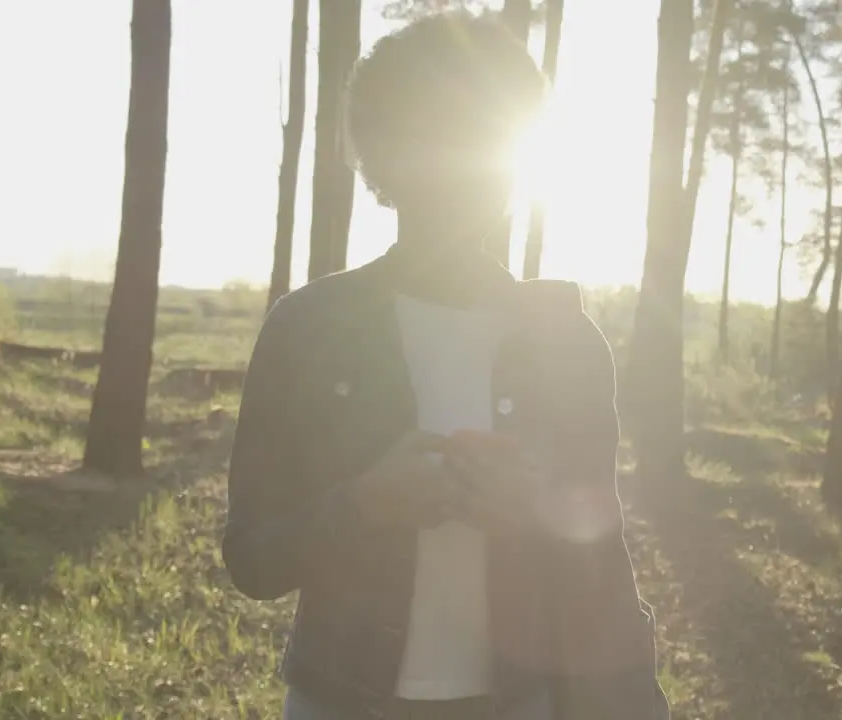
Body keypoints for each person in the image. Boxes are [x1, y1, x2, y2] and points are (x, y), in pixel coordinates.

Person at [221, 11, 669, 720]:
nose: (458, 162)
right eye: (429, 132)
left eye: (482, 134)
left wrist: (533, 517)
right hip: (341, 701)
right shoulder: (307, 329)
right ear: (380, 161)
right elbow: (252, 558)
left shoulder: (567, 343)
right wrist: (368, 503)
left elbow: (601, 567)